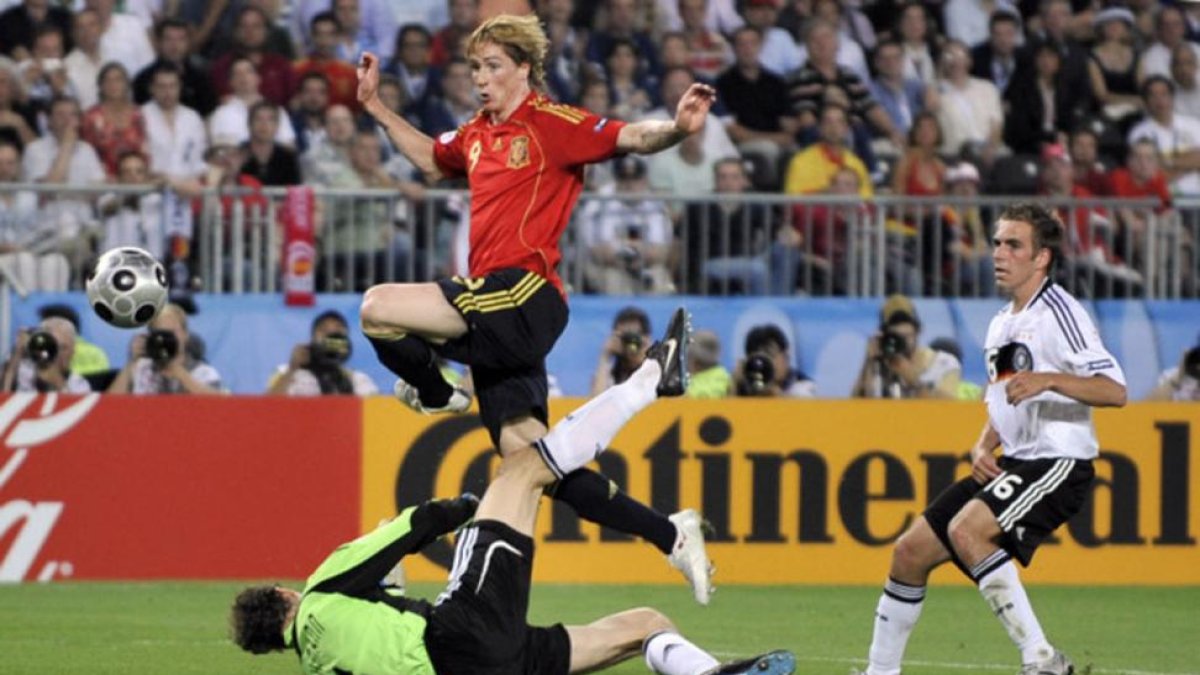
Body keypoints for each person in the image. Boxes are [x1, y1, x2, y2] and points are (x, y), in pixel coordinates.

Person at [355, 13, 718, 603]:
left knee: (378, 307)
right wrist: (375, 107)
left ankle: (437, 391)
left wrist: (677, 128)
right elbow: (429, 157)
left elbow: (630, 136)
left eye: (494, 66)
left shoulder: (552, 123)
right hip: (494, 309)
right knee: (532, 466)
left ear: (524, 68)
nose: (481, 78)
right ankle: (671, 534)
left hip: (525, 294)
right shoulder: (474, 134)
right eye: (475, 67)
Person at [231, 309, 797, 675]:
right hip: (461, 636)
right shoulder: (323, 588)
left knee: (643, 625)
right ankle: (650, 381)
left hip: (493, 664)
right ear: (284, 594)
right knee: (522, 471)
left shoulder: (322, 662)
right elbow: (415, 525)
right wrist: (473, 508)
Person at [853, 203, 1128, 675]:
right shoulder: (1003, 321)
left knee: (967, 530)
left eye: (1013, 244)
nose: (1000, 252)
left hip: (1057, 461)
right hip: (1017, 459)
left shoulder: (1061, 313)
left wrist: (1049, 380)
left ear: (1041, 258)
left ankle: (1042, 659)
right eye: (998, 242)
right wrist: (984, 444)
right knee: (910, 551)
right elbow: (1005, 395)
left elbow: (1115, 390)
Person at [852, 295, 962, 399]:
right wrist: (868, 362)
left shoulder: (943, 363)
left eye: (906, 336)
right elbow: (856, 410)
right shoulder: (880, 366)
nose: (902, 342)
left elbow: (948, 409)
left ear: (918, 331)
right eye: (896, 336)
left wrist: (910, 376)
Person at [107, 303, 225, 395]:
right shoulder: (141, 369)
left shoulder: (203, 373)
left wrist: (182, 376)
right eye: (160, 333)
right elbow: (106, 407)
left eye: (172, 332)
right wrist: (131, 363)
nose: (165, 339)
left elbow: (222, 406)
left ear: (185, 335)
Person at [267, 309, 378, 396]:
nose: (331, 336)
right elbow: (267, 410)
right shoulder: (287, 374)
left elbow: (377, 416)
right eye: (324, 330)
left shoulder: (358, 380)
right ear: (312, 339)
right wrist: (292, 368)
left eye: (338, 331)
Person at [1, 316, 92, 393]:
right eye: (52, 346)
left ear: (73, 351)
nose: (57, 353)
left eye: (63, 347)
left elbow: (79, 411)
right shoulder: (22, 371)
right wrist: (18, 352)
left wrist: (58, 382)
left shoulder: (78, 383)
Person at [733, 323, 814, 398]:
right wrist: (735, 386)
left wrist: (776, 395)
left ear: (786, 355)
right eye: (759, 359)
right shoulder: (747, 385)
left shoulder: (804, 387)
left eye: (771, 355)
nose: (765, 364)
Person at [590, 306, 652, 395]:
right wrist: (604, 357)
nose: (631, 345)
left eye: (635, 338)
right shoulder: (607, 375)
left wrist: (650, 357)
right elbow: (595, 403)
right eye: (626, 338)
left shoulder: (654, 373)